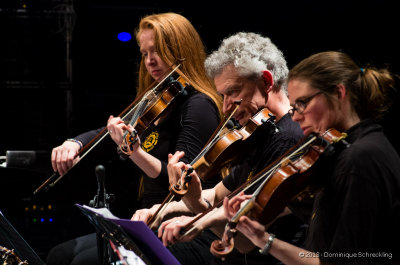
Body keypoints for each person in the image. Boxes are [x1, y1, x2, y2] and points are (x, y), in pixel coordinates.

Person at [46, 12, 223, 265]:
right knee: (60, 254)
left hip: (185, 226)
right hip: (149, 223)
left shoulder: (198, 105)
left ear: (181, 49)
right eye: (145, 53)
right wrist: (73, 143)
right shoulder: (158, 103)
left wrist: (135, 153)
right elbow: (108, 132)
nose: (150, 61)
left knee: (83, 262)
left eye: (157, 51)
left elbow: (182, 183)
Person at [132, 32, 308, 265]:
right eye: (222, 96)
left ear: (266, 82)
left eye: (233, 92)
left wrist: (196, 213)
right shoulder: (260, 132)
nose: (225, 108)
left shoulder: (288, 139)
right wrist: (160, 210)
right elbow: (216, 194)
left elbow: (244, 242)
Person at [223, 51, 400, 265]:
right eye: (293, 106)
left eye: (302, 104)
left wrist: (266, 241)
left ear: (338, 93)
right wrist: (256, 210)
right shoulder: (338, 150)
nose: (295, 116)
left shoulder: (361, 158)